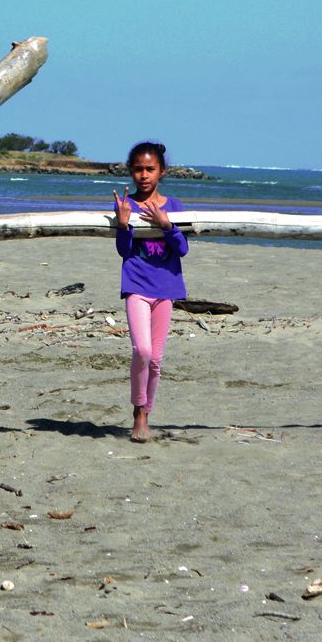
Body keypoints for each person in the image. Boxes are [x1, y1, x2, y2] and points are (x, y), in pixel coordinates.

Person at [113, 141, 188, 442]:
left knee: (156, 359)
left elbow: (182, 249)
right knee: (141, 350)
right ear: (131, 172)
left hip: (166, 287)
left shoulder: (175, 205)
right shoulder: (126, 205)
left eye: (149, 169)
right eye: (138, 169)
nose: (143, 175)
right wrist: (122, 223)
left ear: (161, 172)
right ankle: (137, 410)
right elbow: (123, 251)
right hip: (136, 285)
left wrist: (166, 224)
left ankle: (146, 413)